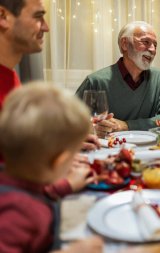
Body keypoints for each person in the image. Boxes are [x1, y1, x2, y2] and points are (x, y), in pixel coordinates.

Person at [0, 83, 103, 252]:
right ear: (60, 162)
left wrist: (64, 186)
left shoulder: (14, 176)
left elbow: (35, 190)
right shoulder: (17, 213)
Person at [0, 0, 100, 151]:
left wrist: (60, 146)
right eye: (38, 16)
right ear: (3, 16)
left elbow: (16, 150)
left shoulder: (10, 76)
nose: (46, 27)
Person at [76, 21, 160, 136]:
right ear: (125, 44)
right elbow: (70, 122)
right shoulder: (96, 81)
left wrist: (126, 126)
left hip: (150, 150)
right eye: (146, 42)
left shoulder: (159, 78)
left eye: (155, 45)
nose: (152, 49)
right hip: (108, 150)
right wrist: (92, 129)